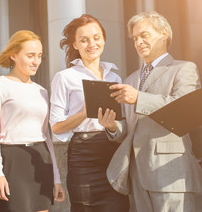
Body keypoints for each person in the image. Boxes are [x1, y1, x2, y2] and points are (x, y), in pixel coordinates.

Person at [99, 11, 202, 212]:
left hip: (170, 175)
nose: (138, 42)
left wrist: (139, 98)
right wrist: (112, 126)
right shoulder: (130, 80)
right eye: (135, 39)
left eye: (144, 35)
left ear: (164, 33)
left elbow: (185, 111)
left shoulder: (184, 68)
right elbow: (131, 129)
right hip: (137, 177)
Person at [50, 14, 130, 212]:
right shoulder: (64, 77)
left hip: (113, 154)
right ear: (75, 45)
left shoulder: (115, 76)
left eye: (96, 37)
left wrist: (112, 126)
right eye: (84, 40)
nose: (91, 44)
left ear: (103, 39)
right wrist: (84, 113)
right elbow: (56, 127)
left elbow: (121, 122)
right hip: (83, 157)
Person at [0, 30, 65, 212]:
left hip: (40, 160)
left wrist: (56, 179)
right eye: (30, 55)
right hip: (12, 160)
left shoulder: (41, 91)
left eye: (39, 56)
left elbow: (47, 137)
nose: (36, 61)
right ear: (13, 55)